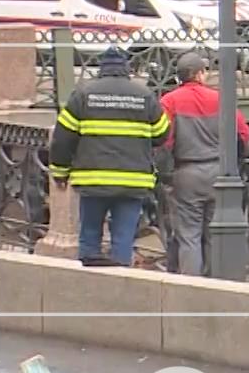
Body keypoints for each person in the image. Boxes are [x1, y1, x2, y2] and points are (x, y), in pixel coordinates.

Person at [50, 45, 171, 267]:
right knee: (123, 238)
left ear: (101, 68)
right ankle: (121, 281)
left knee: (89, 233)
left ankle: (90, 280)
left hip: (93, 180)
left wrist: (60, 173)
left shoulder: (83, 95)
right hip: (133, 181)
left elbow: (62, 139)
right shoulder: (144, 95)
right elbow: (162, 134)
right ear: (127, 68)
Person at [158, 51, 249, 276]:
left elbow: (163, 141)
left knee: (189, 236)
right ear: (199, 74)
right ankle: (216, 284)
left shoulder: (169, 101)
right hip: (219, 173)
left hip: (186, 173)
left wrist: (165, 173)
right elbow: (243, 135)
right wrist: (236, 165)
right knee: (214, 234)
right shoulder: (220, 99)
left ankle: (192, 288)